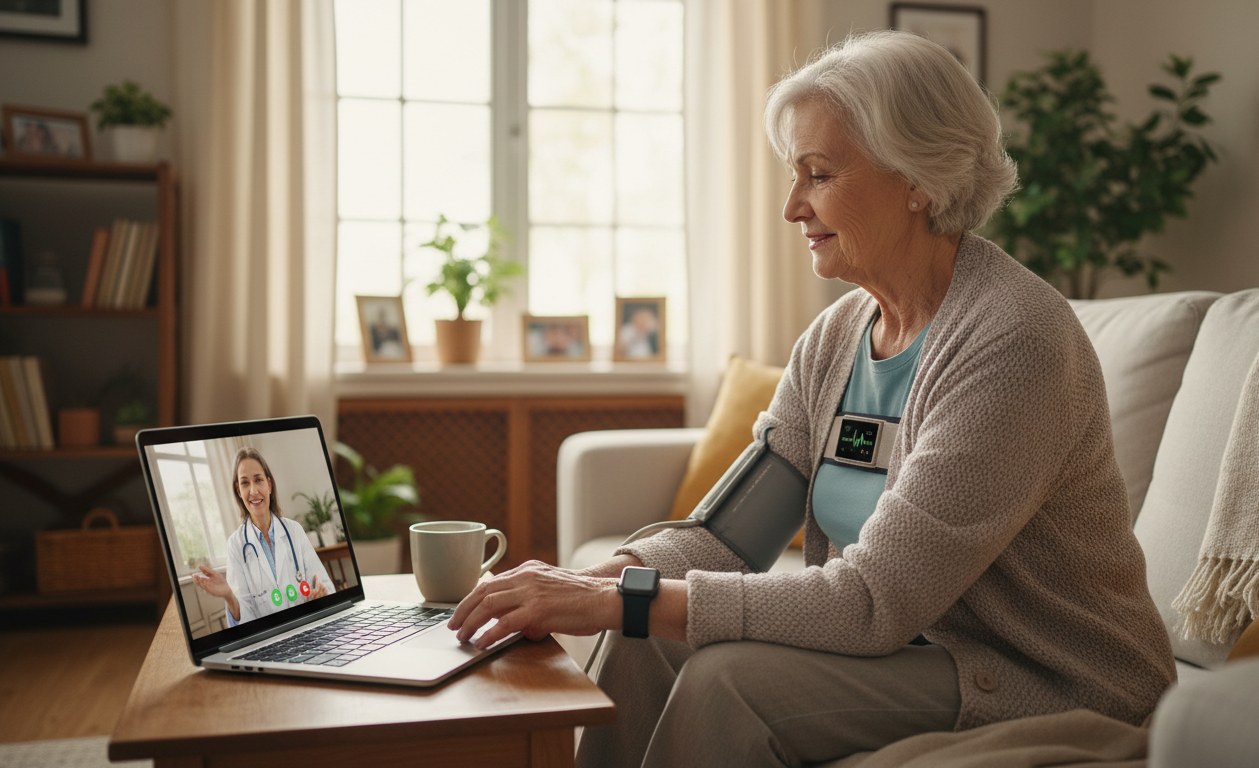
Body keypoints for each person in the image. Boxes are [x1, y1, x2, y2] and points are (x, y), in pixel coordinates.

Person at [447, 30, 1175, 767]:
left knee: (725, 682)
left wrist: (618, 598)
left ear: (918, 178)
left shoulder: (1014, 342)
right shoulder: (837, 338)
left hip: (1047, 678)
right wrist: (583, 583)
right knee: (641, 640)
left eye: (818, 174)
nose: (793, 207)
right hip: (918, 656)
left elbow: (871, 601)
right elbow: (728, 538)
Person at [193, 447, 335, 626]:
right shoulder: (236, 545)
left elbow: (325, 586)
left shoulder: (295, 531)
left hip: (308, 629)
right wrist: (229, 596)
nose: (253, 491)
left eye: (258, 480)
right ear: (238, 490)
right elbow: (243, 620)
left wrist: (320, 596)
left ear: (269, 485)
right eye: (245, 483)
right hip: (270, 642)